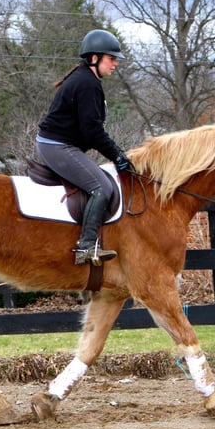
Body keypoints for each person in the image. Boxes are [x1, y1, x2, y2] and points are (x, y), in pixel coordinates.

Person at [36, 29, 134, 266]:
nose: (115, 64)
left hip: (61, 144)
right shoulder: (87, 84)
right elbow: (93, 132)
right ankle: (86, 247)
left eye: (116, 59)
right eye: (111, 59)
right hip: (57, 146)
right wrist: (118, 156)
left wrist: (117, 154)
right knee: (101, 187)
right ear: (94, 58)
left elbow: (90, 131)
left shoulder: (87, 80)